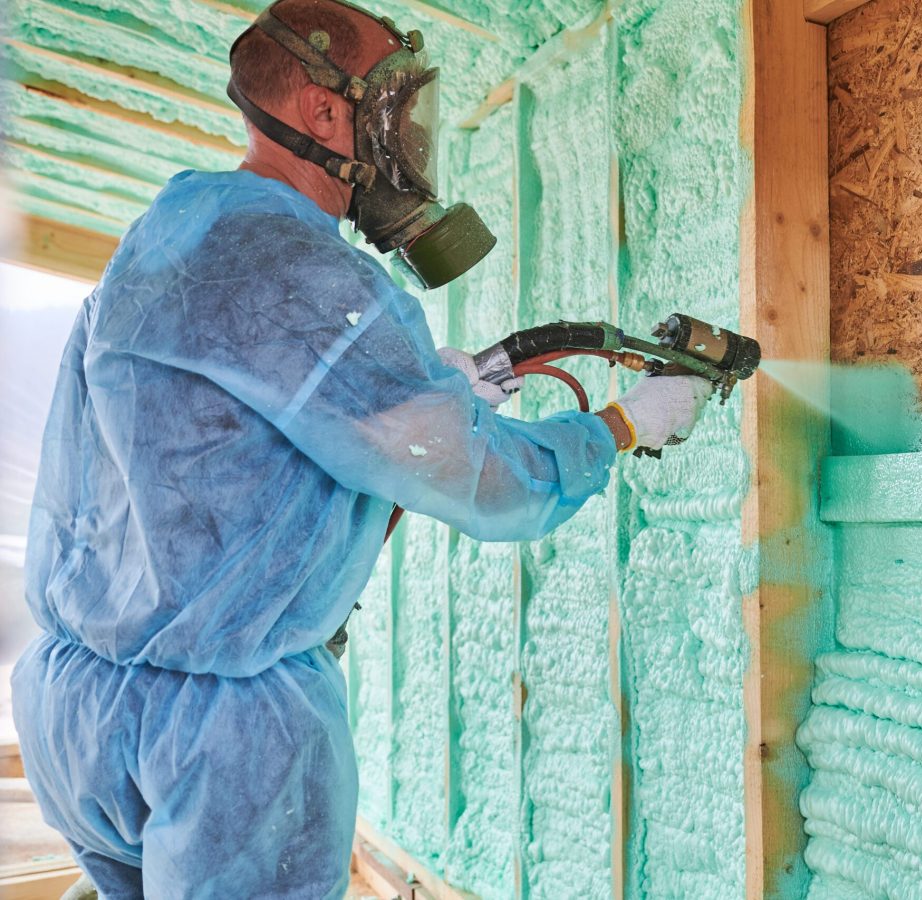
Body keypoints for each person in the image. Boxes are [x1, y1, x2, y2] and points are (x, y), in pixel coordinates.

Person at [9, 0, 712, 896]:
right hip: (216, 739)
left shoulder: (170, 235)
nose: (411, 139)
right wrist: (623, 426)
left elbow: (234, 445)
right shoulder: (301, 267)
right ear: (323, 111)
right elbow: (484, 484)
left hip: (74, 710)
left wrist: (432, 395)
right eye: (397, 110)